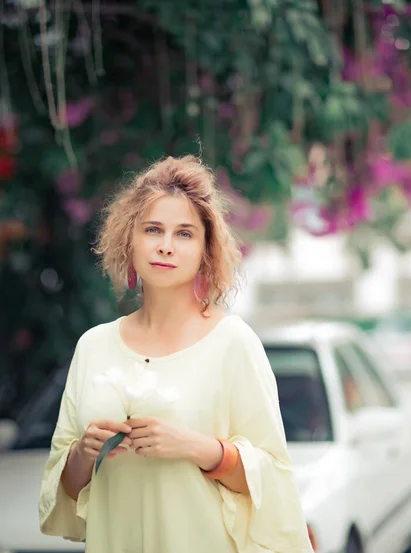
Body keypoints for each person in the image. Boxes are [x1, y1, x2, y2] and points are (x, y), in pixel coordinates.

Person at [38, 155, 314, 553]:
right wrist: (83, 452)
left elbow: (273, 478)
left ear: (205, 249)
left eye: (184, 234)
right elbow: (60, 487)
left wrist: (198, 448)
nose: (166, 246)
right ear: (129, 240)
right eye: (153, 229)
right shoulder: (93, 347)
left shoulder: (232, 342)